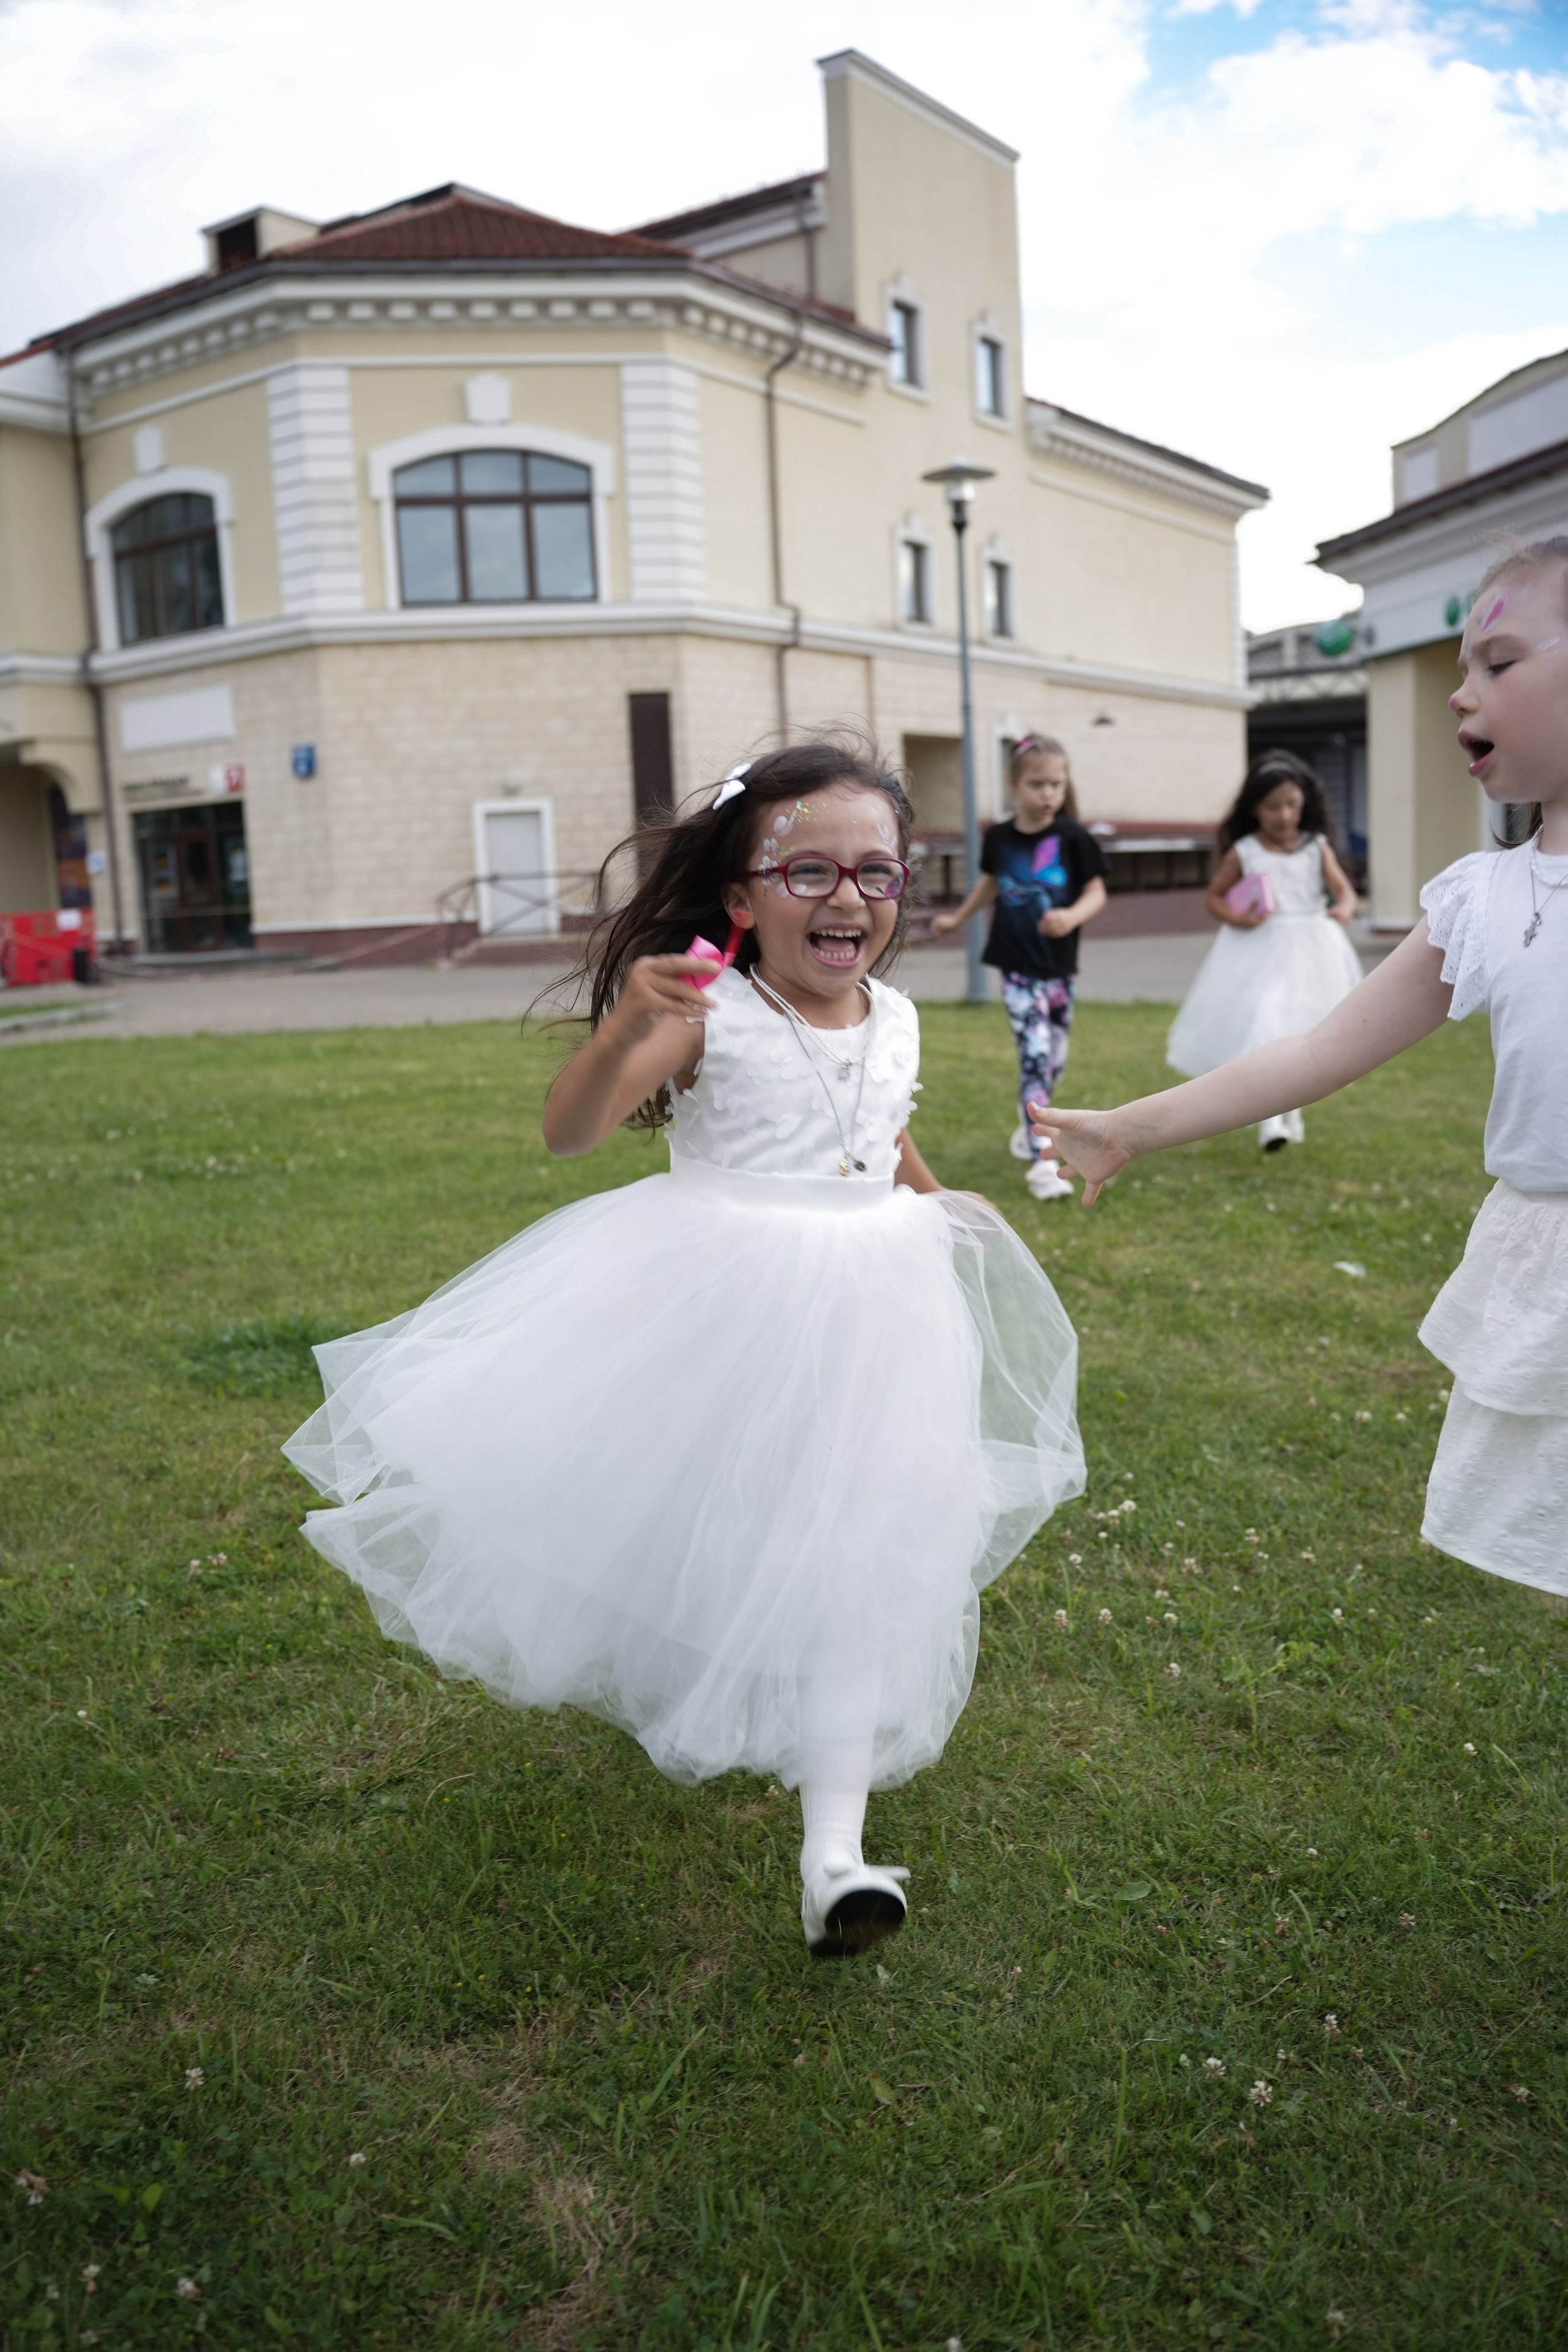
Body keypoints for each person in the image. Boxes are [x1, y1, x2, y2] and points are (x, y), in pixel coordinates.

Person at [284, 739, 1084, 1958]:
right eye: (806, 870)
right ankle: (720, 1678)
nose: (848, 898)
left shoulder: (902, 1015)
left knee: (851, 1559)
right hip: (724, 1300)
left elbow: (874, 1122)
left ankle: (836, 1858)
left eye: (877, 872)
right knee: (715, 1530)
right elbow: (572, 1130)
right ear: (739, 897)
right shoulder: (709, 1013)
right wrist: (618, 1035)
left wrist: (930, 1196)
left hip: (876, 1307)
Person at [1035, 540, 1568, 1596]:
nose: (1461, 693)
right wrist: (1135, 1125)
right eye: (1462, 667)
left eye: (1498, 662)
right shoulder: (1484, 900)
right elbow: (1323, 1047)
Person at [932, 734, 1108, 1202]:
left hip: (1059, 969)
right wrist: (958, 918)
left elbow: (1096, 892)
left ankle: (1029, 1121)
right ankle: (1043, 1161)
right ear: (1015, 785)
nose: (1048, 793)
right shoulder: (1000, 838)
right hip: (1015, 966)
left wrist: (1071, 916)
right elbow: (990, 884)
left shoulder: (1073, 838)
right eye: (1037, 784)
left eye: (1057, 783)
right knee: (1033, 1055)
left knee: (1054, 1060)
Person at [1166, 751, 1362, 1152]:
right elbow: (1215, 898)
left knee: (1302, 1034)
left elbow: (1343, 890)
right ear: (1254, 808)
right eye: (1273, 807)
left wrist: (1342, 908)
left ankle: (1291, 1112)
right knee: (1266, 1024)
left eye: (1292, 805)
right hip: (1260, 948)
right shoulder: (1245, 851)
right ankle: (1270, 1121)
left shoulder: (1315, 846)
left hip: (1312, 947)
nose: (1284, 815)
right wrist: (1239, 919)